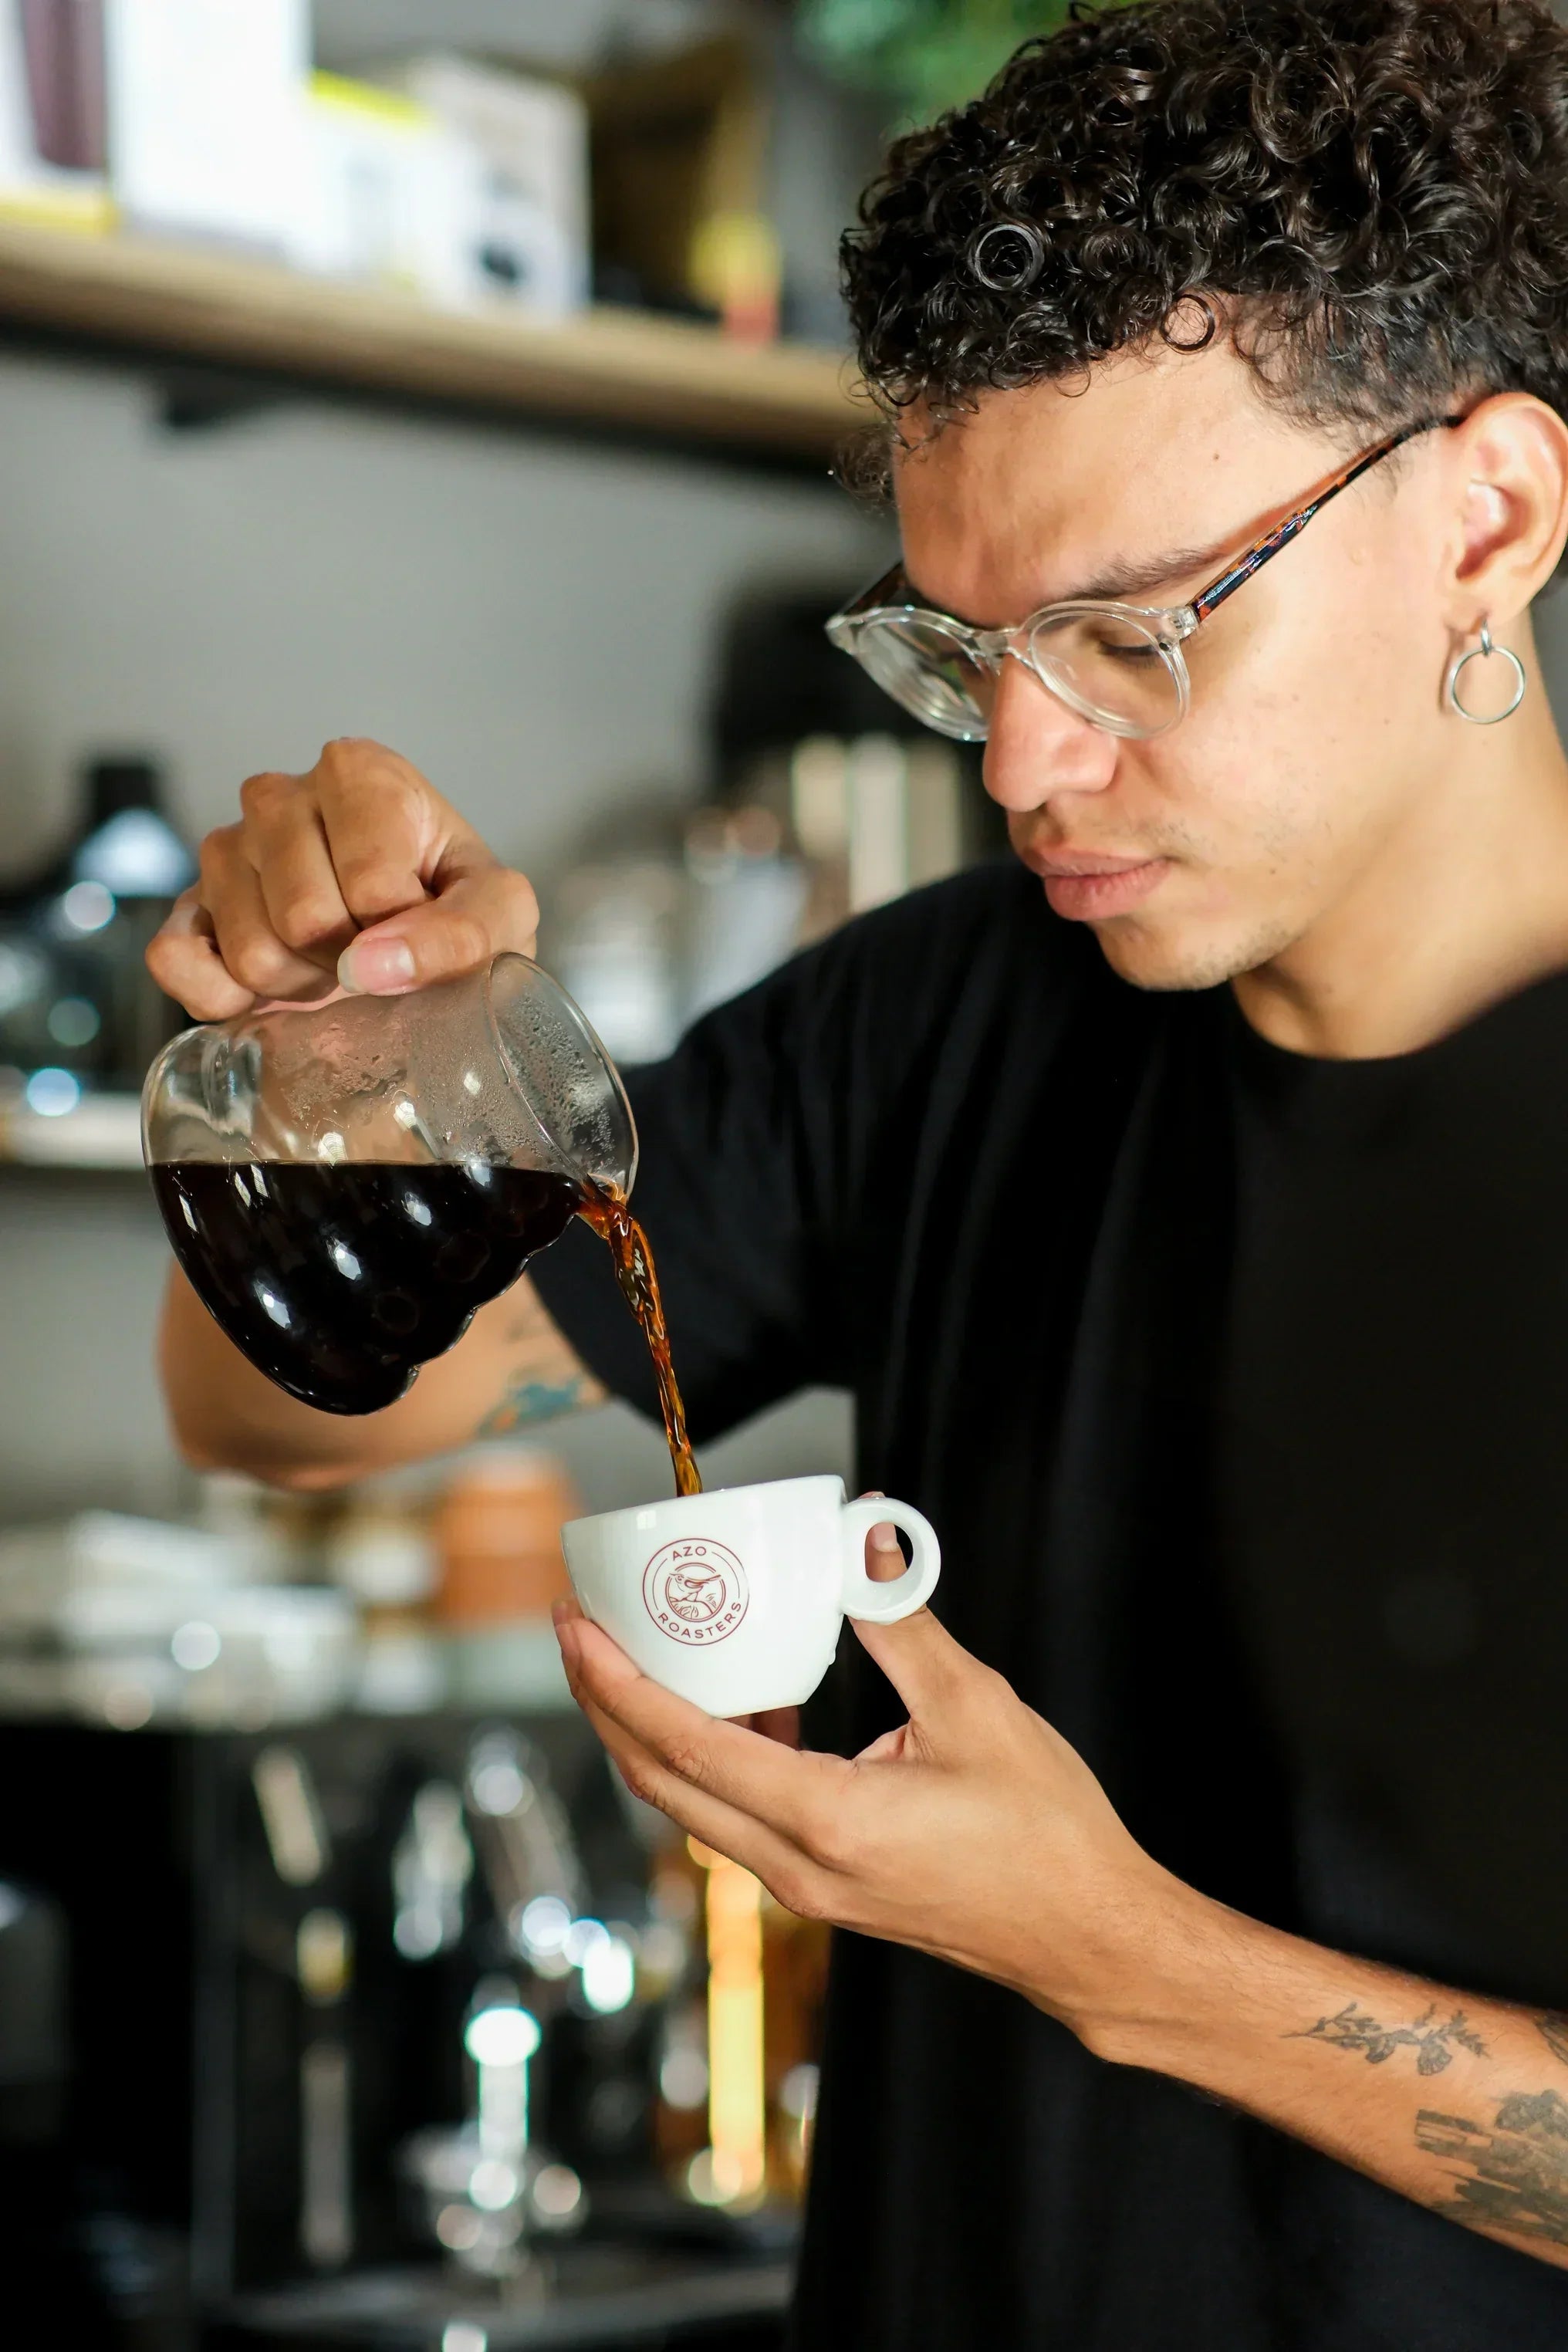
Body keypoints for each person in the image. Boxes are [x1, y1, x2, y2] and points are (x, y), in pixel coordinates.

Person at [150, 1, 1568, 2341]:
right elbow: (283, 1418)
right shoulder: (957, 1017)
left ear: (1488, 521)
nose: (1027, 763)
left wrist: (1123, 1962)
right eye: (965, 649)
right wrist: (349, 1079)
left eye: (1130, 632)